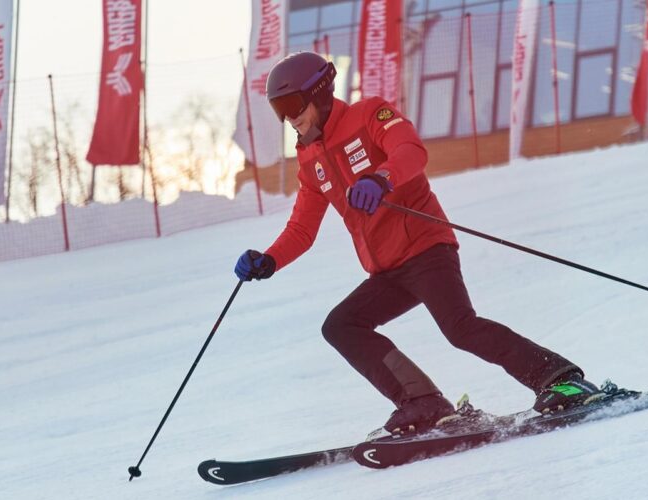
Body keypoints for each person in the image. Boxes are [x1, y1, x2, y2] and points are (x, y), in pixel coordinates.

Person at [234, 52, 603, 436]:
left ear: (320, 93)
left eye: (293, 104)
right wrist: (269, 260)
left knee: (460, 327)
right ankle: (422, 402)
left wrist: (382, 178)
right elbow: (302, 228)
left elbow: (411, 150)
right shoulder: (310, 160)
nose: (289, 118)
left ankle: (560, 378)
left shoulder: (368, 115)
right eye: (279, 109)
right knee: (342, 326)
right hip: (388, 270)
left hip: (426, 249)